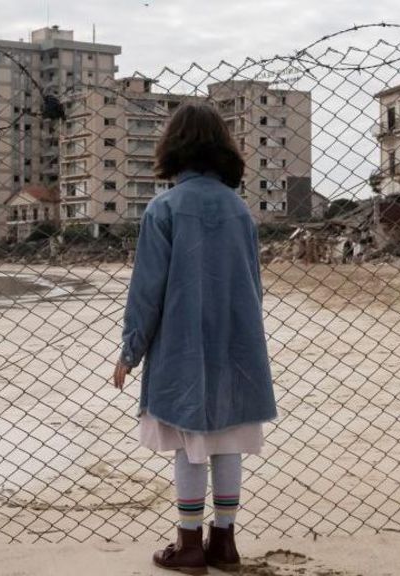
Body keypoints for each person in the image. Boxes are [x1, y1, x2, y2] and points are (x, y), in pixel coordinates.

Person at [113, 103, 278, 574]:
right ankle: (223, 543)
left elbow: (148, 289)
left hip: (183, 343)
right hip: (237, 340)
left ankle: (187, 545)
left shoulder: (164, 208)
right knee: (228, 438)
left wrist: (131, 349)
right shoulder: (239, 208)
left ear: (173, 147)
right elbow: (253, 282)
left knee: (191, 443)